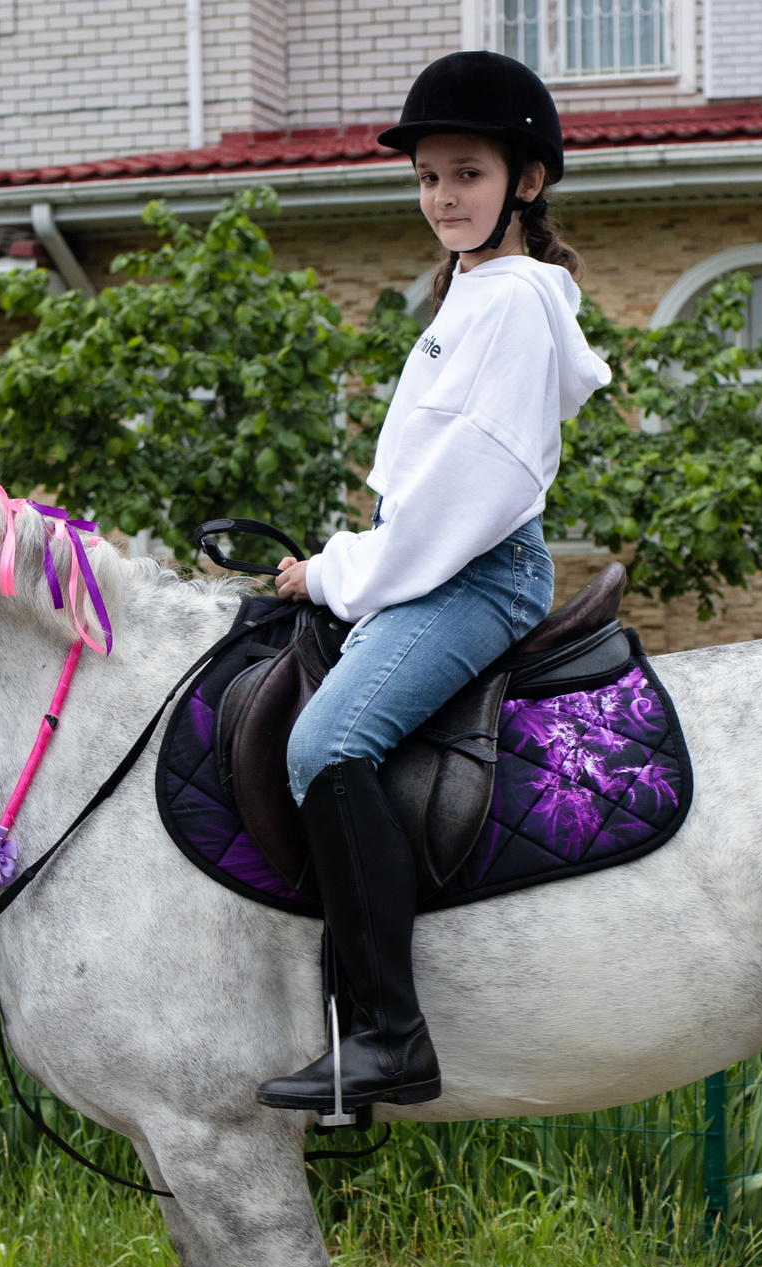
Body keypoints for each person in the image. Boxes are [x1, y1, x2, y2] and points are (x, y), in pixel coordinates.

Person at [258, 48, 610, 1115]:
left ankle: (387, 1039)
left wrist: (332, 574)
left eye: (466, 173)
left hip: (474, 576)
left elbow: (468, 495)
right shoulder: (467, 295)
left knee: (325, 743)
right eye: (428, 178)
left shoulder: (507, 304)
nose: (443, 196)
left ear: (527, 181)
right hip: (430, 560)